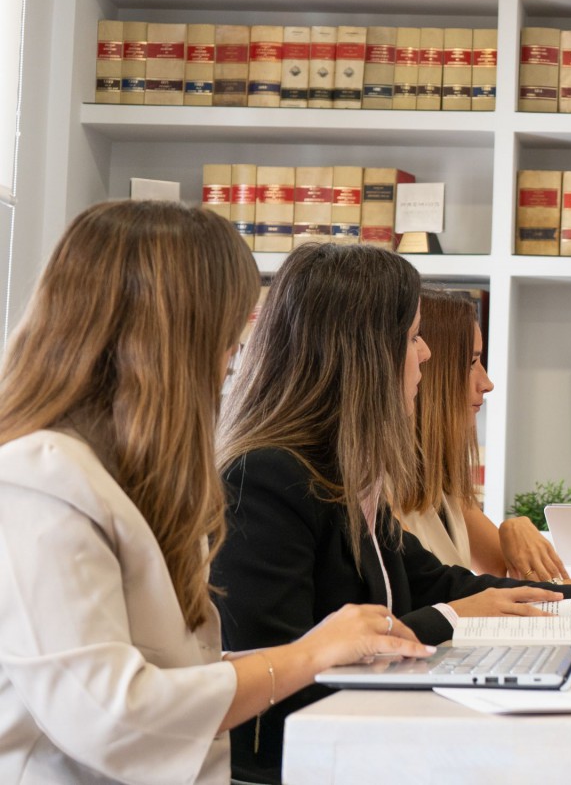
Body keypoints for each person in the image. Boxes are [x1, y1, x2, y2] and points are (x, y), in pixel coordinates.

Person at [0, 202, 431, 784]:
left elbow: (174, 674)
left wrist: (327, 651)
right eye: (226, 338)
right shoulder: (38, 480)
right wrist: (306, 655)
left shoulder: (113, 475)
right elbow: (113, 717)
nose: (233, 360)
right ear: (168, 339)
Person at [212, 244, 571, 783]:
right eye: (413, 337)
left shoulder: (343, 477)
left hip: (360, 748)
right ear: (363, 353)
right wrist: (451, 618)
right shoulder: (264, 478)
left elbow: (442, 584)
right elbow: (279, 679)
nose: (425, 355)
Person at [396, 287, 571, 584]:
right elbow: (466, 593)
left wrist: (513, 527)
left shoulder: (443, 486)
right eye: (471, 363)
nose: (487, 383)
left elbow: (518, 580)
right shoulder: (382, 495)